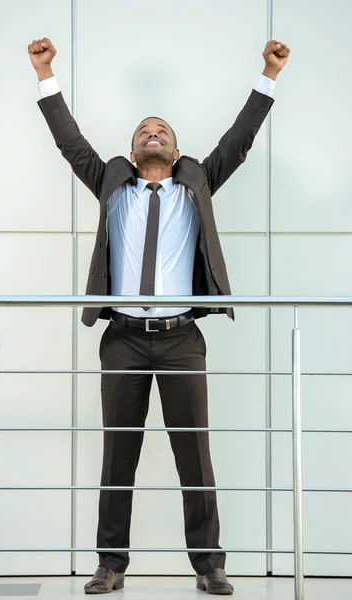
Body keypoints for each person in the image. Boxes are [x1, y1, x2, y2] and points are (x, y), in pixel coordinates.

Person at [28, 36, 290, 595]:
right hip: (122, 337)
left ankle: (209, 565)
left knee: (194, 453)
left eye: (162, 130)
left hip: (181, 339)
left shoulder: (196, 185)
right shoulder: (110, 186)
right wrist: (45, 74)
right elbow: (70, 142)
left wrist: (267, 75)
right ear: (129, 152)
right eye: (144, 129)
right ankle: (111, 564)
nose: (153, 132)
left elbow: (237, 141)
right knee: (118, 451)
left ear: (175, 152)